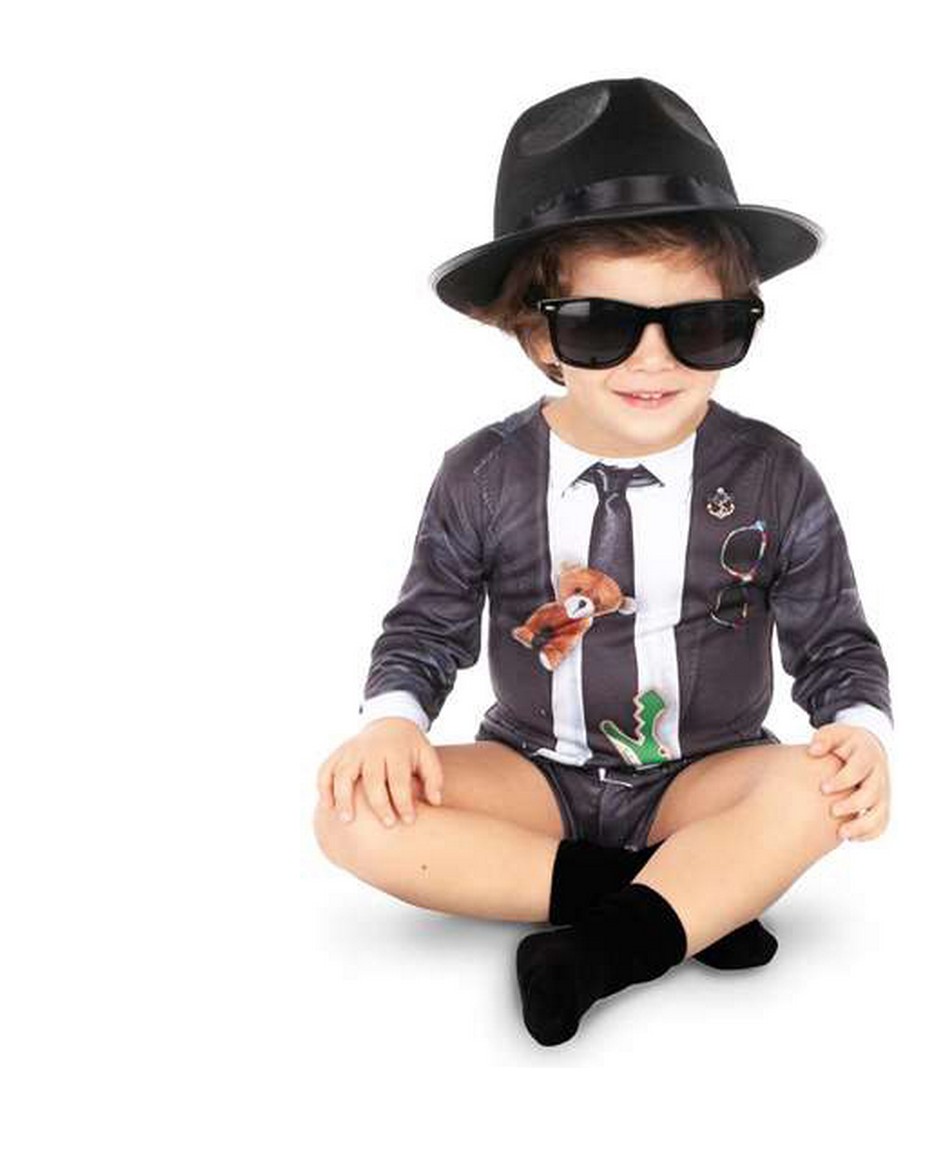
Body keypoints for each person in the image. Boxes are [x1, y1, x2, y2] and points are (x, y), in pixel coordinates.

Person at [313, 77, 894, 1046]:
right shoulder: (485, 474)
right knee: (350, 814)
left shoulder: (772, 474)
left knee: (813, 790)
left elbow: (832, 632)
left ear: (742, 319)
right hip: (531, 771)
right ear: (538, 331)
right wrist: (392, 722)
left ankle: (600, 950)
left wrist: (858, 732)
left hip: (705, 774)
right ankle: (684, 898)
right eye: (601, 325)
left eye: (700, 326)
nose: (652, 361)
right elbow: (428, 621)